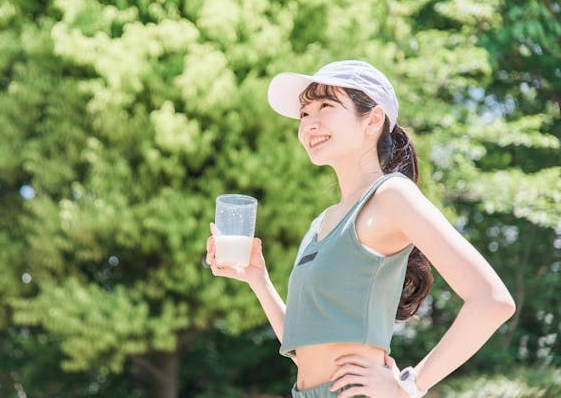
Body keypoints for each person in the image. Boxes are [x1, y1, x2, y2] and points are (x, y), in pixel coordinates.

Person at [205, 60, 516, 398]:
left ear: (372, 119)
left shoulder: (392, 195)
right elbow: (305, 347)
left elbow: (493, 300)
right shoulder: (321, 223)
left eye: (326, 105)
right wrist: (259, 281)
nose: (310, 122)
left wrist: (409, 386)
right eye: (304, 112)